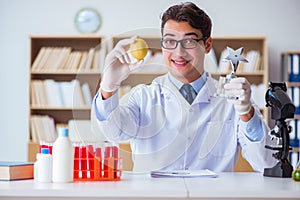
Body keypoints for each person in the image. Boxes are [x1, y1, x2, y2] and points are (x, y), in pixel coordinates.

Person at [91, 2, 277, 172]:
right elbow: (113, 133)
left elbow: (266, 162)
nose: (178, 53)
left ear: (207, 45)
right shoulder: (143, 97)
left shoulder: (234, 98)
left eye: (189, 41)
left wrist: (247, 114)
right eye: (170, 41)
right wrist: (108, 86)